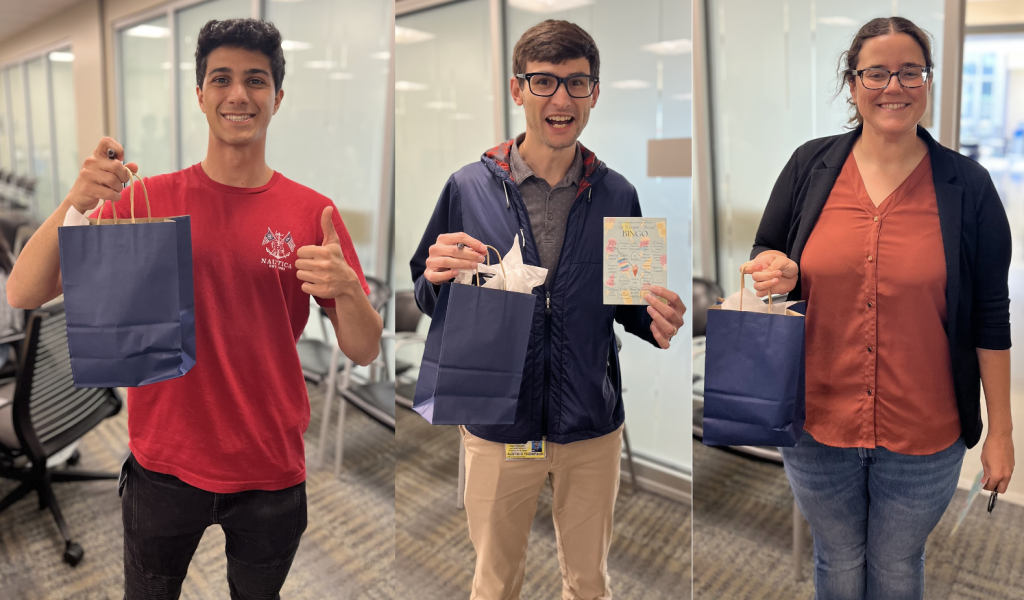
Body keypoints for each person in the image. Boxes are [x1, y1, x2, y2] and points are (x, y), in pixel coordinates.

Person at [7, 18, 383, 599]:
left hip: (270, 467)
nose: (238, 94)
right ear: (201, 94)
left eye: (256, 81)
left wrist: (350, 292)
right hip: (164, 463)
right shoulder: (146, 200)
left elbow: (363, 349)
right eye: (222, 78)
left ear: (277, 98)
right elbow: (24, 293)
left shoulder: (313, 213)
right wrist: (74, 203)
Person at [410, 19, 686, 600]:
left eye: (577, 84)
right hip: (496, 420)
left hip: (588, 421)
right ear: (518, 91)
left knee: (588, 583)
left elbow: (629, 304)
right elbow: (429, 294)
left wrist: (656, 318)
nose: (561, 99)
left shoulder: (618, 193)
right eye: (544, 82)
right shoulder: (468, 187)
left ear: (594, 94)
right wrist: (436, 279)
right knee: (494, 582)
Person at [743, 17, 1013, 600]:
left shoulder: (970, 187)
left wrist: (1002, 432)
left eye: (910, 70)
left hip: (926, 426)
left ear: (928, 80)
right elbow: (766, 250)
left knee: (895, 565)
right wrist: (777, 268)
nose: (895, 85)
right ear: (852, 83)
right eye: (876, 72)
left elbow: (991, 317)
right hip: (818, 419)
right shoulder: (809, 166)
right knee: (837, 560)